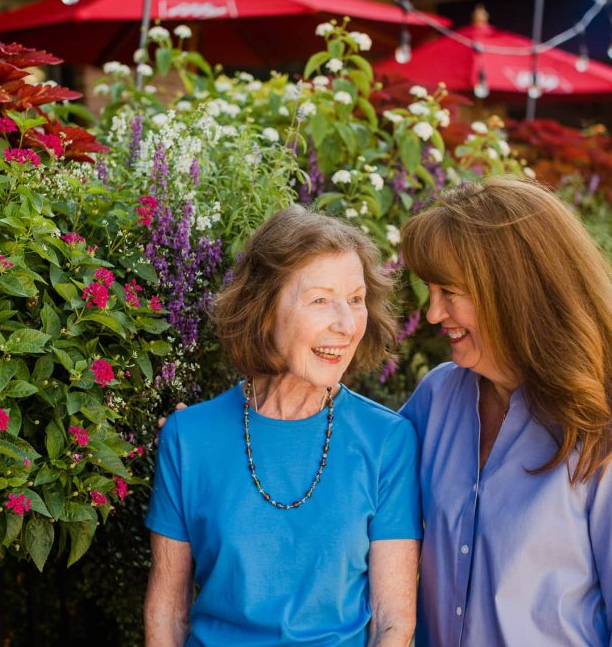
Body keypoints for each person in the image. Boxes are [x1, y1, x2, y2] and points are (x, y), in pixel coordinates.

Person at [399, 178, 612, 646]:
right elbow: (362, 487)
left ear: (511, 291)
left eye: (449, 291)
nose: (432, 313)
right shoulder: (437, 398)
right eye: (431, 291)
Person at [143, 205, 422, 647]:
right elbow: (167, 613)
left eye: (355, 299)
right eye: (320, 300)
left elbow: (393, 622)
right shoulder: (188, 438)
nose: (347, 325)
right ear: (265, 308)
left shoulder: (387, 441)